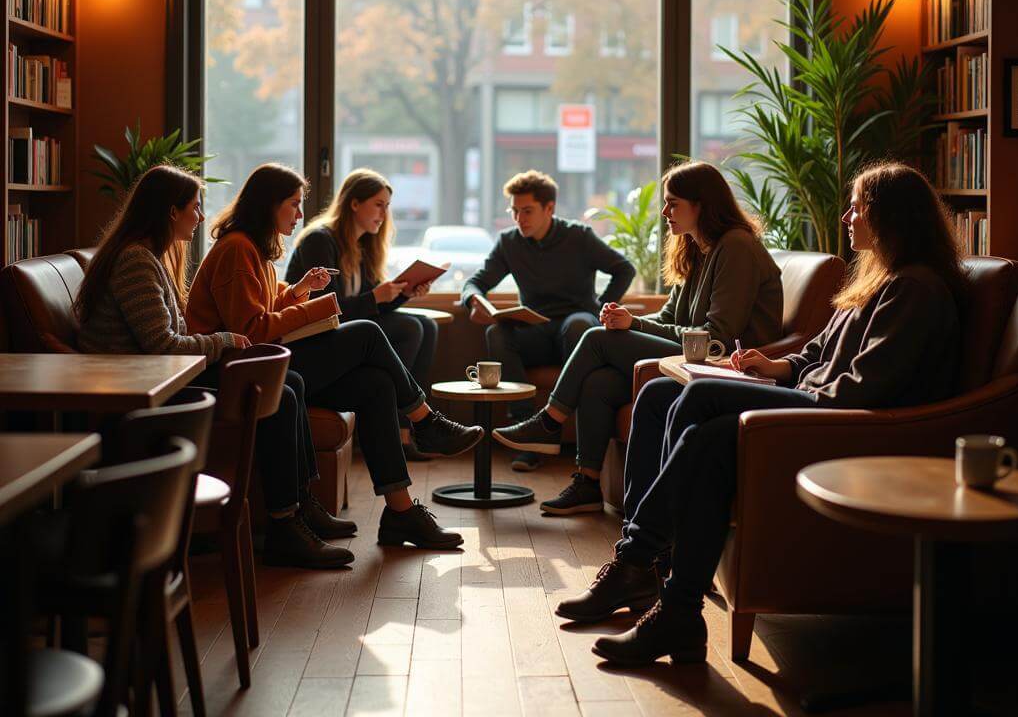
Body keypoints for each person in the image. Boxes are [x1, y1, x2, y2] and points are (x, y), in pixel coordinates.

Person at [555, 162, 964, 667]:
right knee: (668, 400)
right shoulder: (877, 279)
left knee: (701, 399)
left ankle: (639, 560)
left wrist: (787, 387)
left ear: (888, 216)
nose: (846, 216)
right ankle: (672, 602)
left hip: (838, 421)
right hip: (815, 402)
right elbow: (816, 351)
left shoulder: (914, 289)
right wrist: (777, 366)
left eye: (857, 206)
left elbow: (860, 389)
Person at [186, 163, 483, 550]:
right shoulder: (237, 248)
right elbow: (252, 329)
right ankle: (425, 420)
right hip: (247, 370)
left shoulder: (253, 248)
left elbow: (261, 307)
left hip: (267, 362)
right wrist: (317, 308)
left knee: (376, 385)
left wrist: (297, 293)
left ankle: (400, 512)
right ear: (269, 204)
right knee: (367, 333)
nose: (298, 214)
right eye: (293, 205)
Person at [75, 165, 355, 570]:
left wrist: (221, 340)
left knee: (287, 383)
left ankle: (296, 509)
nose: (202, 216)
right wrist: (224, 340)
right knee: (279, 387)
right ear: (171, 211)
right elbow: (162, 345)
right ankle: (284, 523)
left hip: (164, 376)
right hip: (148, 386)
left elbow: (172, 335)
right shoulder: (137, 261)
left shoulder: (149, 255)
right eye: (195, 207)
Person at [492, 160, 783, 516]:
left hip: (721, 362)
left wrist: (634, 326)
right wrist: (629, 320)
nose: (664, 212)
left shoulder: (736, 247)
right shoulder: (697, 249)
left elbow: (717, 335)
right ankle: (586, 483)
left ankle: (549, 422)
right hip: (692, 354)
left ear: (702, 204)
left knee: (598, 339)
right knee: (597, 382)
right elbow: (667, 318)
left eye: (673, 203)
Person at [461, 170, 636, 472]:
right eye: (514, 211)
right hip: (537, 330)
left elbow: (624, 269)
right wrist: (473, 300)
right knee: (497, 333)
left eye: (527, 211)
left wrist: (601, 308)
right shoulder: (509, 242)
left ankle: (583, 444)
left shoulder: (578, 236)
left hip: (577, 324)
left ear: (549, 209)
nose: (520, 219)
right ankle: (527, 430)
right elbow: (475, 282)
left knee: (581, 325)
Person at [286, 168, 438, 388]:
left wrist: (404, 294)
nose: (384, 214)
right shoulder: (319, 240)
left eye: (387, 207)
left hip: (347, 325)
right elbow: (325, 309)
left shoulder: (362, 246)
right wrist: (375, 296)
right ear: (354, 204)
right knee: (410, 327)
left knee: (428, 326)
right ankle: (402, 409)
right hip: (316, 334)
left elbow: (371, 306)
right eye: (378, 205)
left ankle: (408, 416)